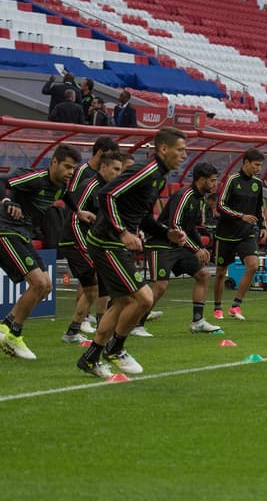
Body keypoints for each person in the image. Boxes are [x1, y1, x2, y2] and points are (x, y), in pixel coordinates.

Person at [77, 127, 191, 378]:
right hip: (107, 242)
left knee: (123, 302)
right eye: (180, 150)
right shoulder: (147, 171)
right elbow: (107, 194)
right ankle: (115, 348)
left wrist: (165, 233)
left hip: (114, 243)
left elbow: (143, 216)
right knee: (145, 298)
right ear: (163, 149)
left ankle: (91, 357)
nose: (185, 155)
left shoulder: (160, 176)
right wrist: (123, 232)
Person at [0, 145, 85, 360]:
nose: (70, 172)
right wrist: (7, 200)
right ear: (54, 163)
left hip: (22, 234)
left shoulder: (60, 185)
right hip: (4, 231)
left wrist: (78, 211)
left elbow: (65, 196)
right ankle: (14, 335)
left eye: (73, 168)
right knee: (38, 283)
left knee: (46, 286)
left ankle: (5, 328)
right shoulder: (34, 177)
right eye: (67, 166)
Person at [144, 162, 224, 335]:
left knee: (203, 275)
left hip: (178, 246)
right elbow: (175, 225)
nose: (215, 184)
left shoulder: (200, 199)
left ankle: (198, 322)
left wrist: (202, 247)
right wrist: (196, 249)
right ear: (201, 180)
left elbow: (192, 228)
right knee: (161, 285)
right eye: (212, 180)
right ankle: (136, 324)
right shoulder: (184, 195)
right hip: (160, 243)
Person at [59, 144, 127, 344]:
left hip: (88, 242)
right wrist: (86, 247)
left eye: (121, 170)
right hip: (74, 240)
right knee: (97, 284)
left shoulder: (108, 190)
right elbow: (74, 216)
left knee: (94, 288)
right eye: (115, 169)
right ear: (103, 168)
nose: (118, 173)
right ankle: (94, 328)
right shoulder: (90, 186)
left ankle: (78, 331)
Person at [211, 148, 267, 320]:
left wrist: (263, 225)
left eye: (261, 166)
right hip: (226, 233)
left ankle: (236, 306)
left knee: (253, 266)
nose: (259, 169)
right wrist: (241, 216)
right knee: (221, 272)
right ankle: (217, 308)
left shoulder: (257, 184)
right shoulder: (231, 180)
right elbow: (220, 205)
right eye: (256, 165)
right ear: (246, 163)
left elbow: (259, 208)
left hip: (247, 233)